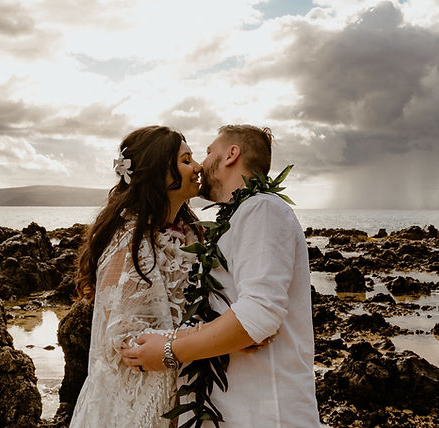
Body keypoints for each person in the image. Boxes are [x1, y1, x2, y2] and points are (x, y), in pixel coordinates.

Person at [120, 125, 320, 427]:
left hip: (266, 412)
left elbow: (259, 314)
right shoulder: (234, 221)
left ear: (231, 154)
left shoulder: (262, 209)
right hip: (233, 410)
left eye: (209, 151)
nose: (201, 163)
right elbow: (227, 315)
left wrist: (169, 351)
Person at [70, 125, 204, 428]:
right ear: (159, 174)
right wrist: (198, 341)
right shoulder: (129, 242)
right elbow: (122, 340)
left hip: (191, 391)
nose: (198, 167)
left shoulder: (194, 234)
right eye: (186, 161)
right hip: (136, 402)